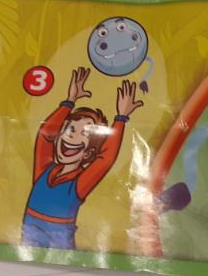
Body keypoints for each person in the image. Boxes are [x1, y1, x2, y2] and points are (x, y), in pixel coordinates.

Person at [22, 67, 143, 249]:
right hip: (30, 235)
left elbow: (105, 158)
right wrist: (69, 102)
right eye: (70, 129)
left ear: (87, 153)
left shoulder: (78, 184)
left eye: (84, 133)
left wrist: (120, 118)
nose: (72, 135)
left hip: (59, 238)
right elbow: (45, 135)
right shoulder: (44, 170)